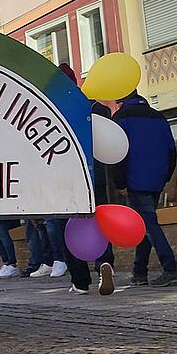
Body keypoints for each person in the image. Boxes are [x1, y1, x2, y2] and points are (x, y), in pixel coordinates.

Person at [114, 90, 177, 287]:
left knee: (149, 225)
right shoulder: (158, 116)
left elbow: (118, 153)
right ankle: (139, 272)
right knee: (145, 224)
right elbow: (172, 151)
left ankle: (171, 268)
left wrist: (120, 183)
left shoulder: (122, 117)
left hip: (135, 179)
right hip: (156, 178)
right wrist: (165, 177)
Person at [57, 63, 115, 295]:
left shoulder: (56, 108)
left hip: (67, 178)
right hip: (96, 176)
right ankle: (104, 263)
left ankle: (80, 281)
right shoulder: (96, 108)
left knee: (70, 227)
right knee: (100, 222)